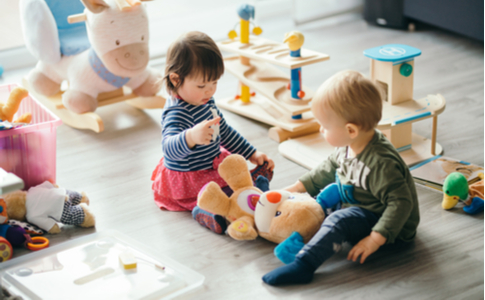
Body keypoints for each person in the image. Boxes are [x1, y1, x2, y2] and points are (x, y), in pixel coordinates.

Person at [262, 70, 420, 286]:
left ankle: (304, 265)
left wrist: (375, 238)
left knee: (338, 220)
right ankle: (299, 236)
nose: (320, 129)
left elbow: (401, 203)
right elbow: (327, 168)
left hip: (390, 225)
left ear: (351, 130)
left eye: (325, 127)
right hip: (359, 202)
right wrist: (293, 189)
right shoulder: (349, 145)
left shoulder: (381, 164)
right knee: (318, 205)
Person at [151, 31, 274, 233]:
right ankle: (207, 213)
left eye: (214, 83)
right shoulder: (177, 113)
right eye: (202, 85)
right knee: (214, 197)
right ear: (175, 79)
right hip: (189, 176)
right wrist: (191, 137)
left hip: (211, 164)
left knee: (233, 174)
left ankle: (251, 188)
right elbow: (168, 149)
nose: (210, 91)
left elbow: (224, 132)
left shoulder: (205, 100)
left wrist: (252, 153)